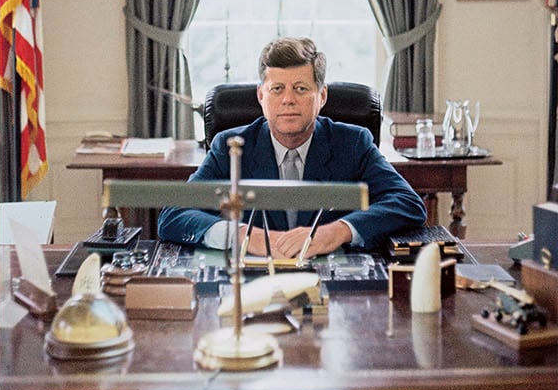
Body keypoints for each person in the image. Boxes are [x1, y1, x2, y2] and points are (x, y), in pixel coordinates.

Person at [158, 37, 426, 258]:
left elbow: (408, 203)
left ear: (321, 96)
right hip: (255, 279)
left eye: (300, 88)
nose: (288, 100)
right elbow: (173, 214)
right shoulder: (230, 147)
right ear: (261, 96)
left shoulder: (353, 143)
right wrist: (246, 237)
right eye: (277, 89)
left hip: (335, 283)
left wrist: (334, 233)